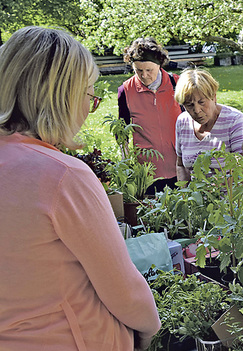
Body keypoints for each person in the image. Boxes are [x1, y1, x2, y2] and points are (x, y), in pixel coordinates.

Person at [0, 27, 160, 350]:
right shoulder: (62, 177)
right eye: (88, 95)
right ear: (63, 97)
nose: (89, 108)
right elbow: (125, 291)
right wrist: (149, 331)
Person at [118, 37, 183, 194]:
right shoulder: (125, 91)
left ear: (159, 65)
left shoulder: (178, 84)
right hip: (148, 171)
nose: (144, 75)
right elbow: (122, 132)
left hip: (181, 166)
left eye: (149, 70)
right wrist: (126, 164)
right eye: (138, 71)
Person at [174, 68, 243, 182]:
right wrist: (184, 195)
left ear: (214, 97)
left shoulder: (234, 121)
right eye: (189, 105)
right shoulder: (182, 122)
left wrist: (215, 190)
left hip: (231, 196)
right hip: (196, 197)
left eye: (201, 102)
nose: (196, 110)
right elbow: (181, 165)